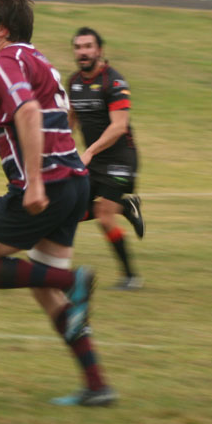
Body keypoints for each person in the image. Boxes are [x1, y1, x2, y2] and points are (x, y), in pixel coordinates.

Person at [0, 0, 116, 407]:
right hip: (73, 183)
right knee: (44, 287)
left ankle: (74, 280)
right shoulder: (38, 60)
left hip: (46, 186)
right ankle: (97, 385)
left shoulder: (2, 62)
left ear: (2, 28)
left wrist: (35, 183)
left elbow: (27, 112)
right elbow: (7, 125)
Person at [67, 27, 145, 290]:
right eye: (78, 47)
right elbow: (71, 120)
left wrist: (89, 152)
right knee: (70, 211)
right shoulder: (74, 82)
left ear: (99, 50)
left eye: (88, 46)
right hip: (94, 162)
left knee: (103, 215)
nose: (83, 52)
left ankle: (131, 277)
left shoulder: (114, 82)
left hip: (121, 159)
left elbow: (119, 127)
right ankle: (126, 206)